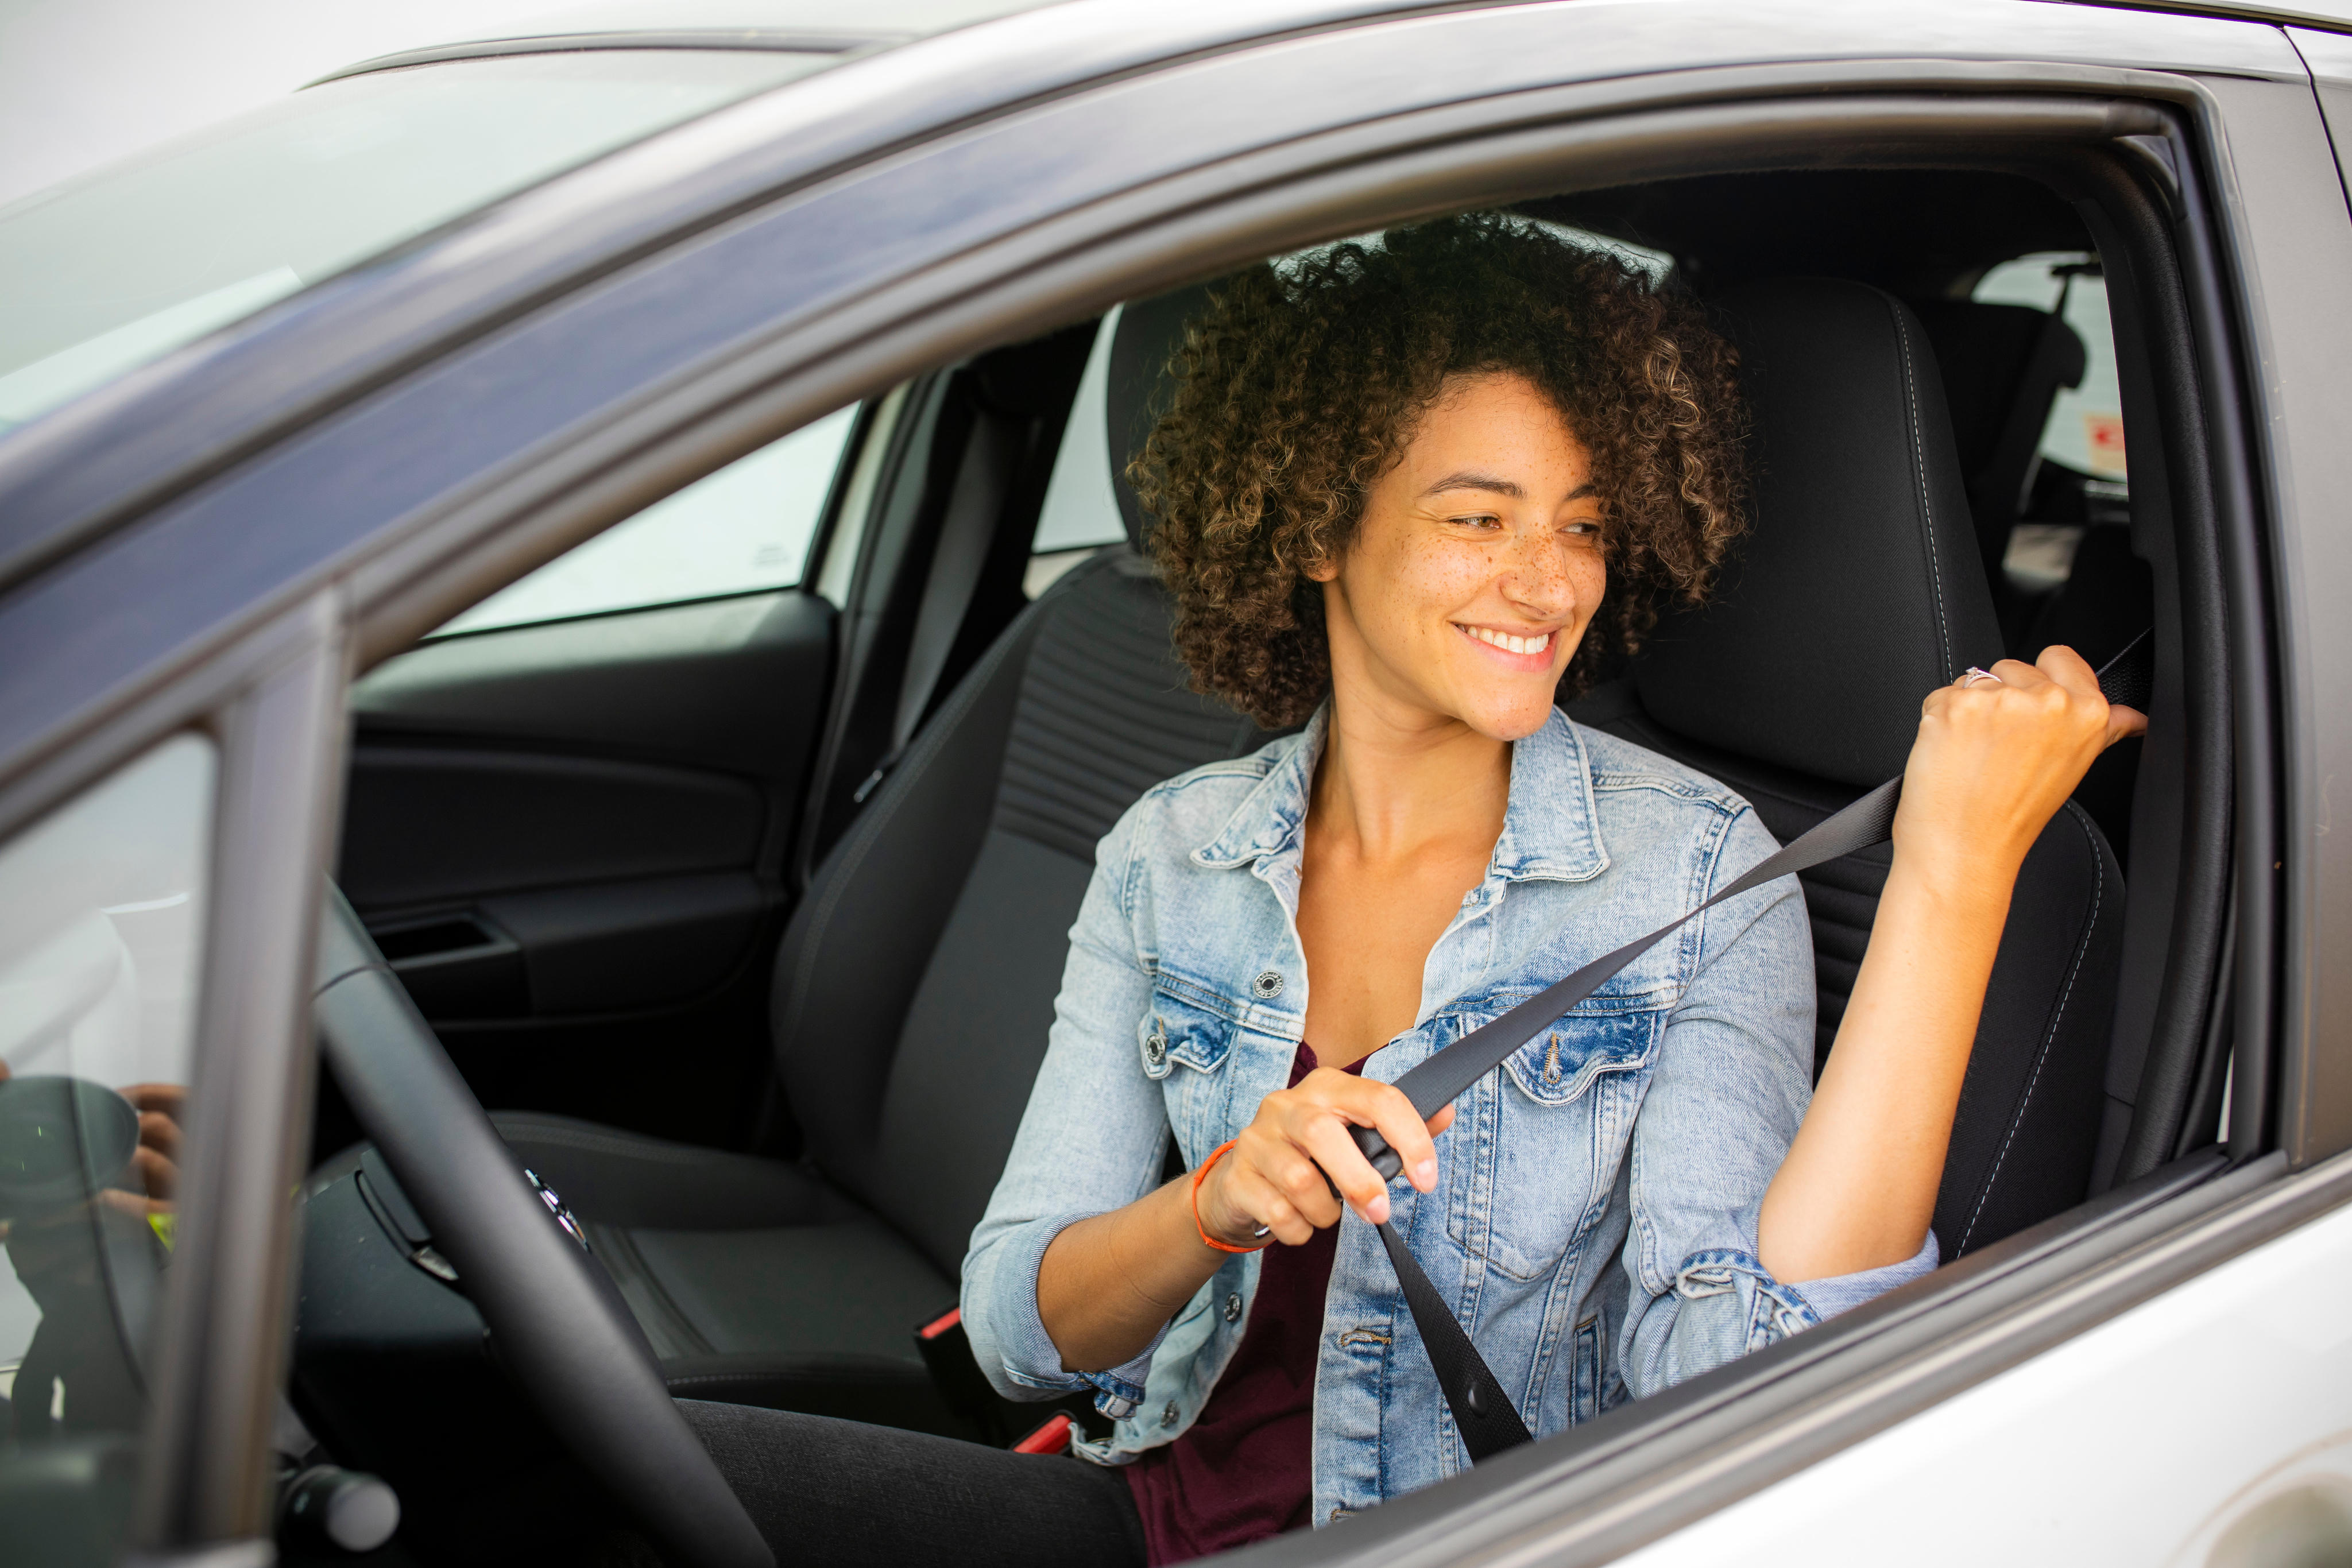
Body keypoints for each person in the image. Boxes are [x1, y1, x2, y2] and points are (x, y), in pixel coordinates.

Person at [680, 214, 2144, 1567]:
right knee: (625, 1475)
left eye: (1581, 523)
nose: (1548, 584)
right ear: (1318, 528)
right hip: (1154, 1517)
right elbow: (1014, 1334)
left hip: (1459, 1542)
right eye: (1476, 519)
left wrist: (1950, 873)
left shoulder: (1701, 872)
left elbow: (1743, 1377)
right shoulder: (1171, 853)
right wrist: (1212, 1203)